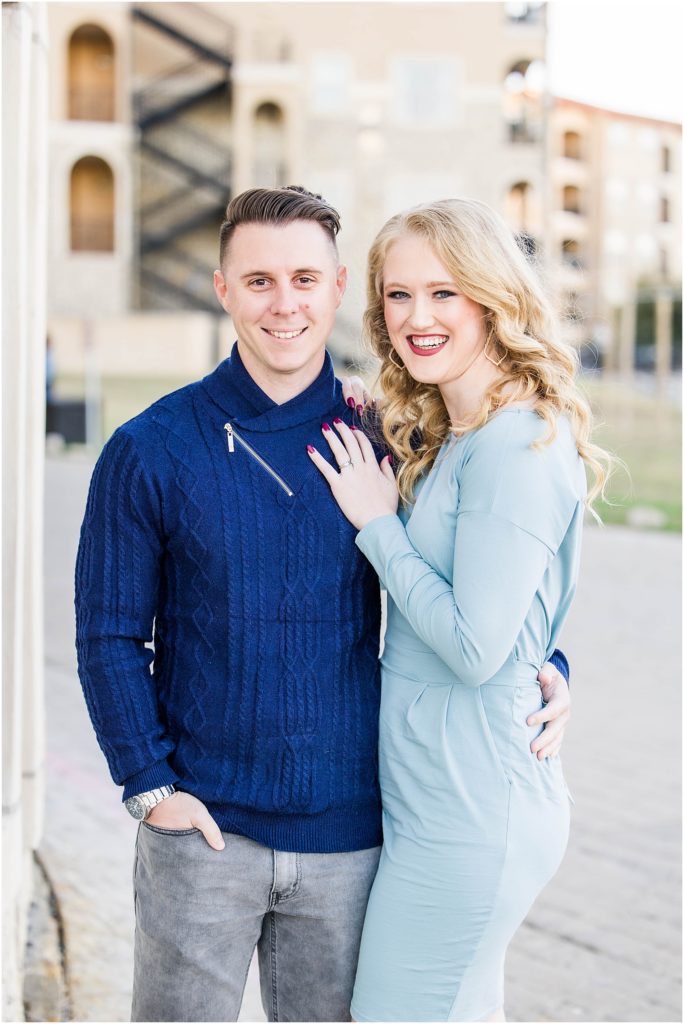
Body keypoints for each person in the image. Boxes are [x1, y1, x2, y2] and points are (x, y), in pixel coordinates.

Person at [74, 186, 571, 1024]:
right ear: (223, 288)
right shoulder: (149, 449)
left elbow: (485, 567)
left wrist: (549, 664)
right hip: (205, 834)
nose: (284, 303)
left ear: (340, 288)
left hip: (355, 837)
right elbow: (108, 635)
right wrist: (150, 787)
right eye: (259, 280)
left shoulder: (392, 438)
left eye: (305, 278)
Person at [308, 197, 609, 1022]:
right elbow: (512, 615)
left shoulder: (515, 444)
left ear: (491, 297)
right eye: (398, 295)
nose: (417, 317)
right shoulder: (460, 434)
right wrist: (550, 667)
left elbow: (477, 647)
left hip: (474, 815)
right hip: (440, 801)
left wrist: (378, 527)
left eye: (444, 293)